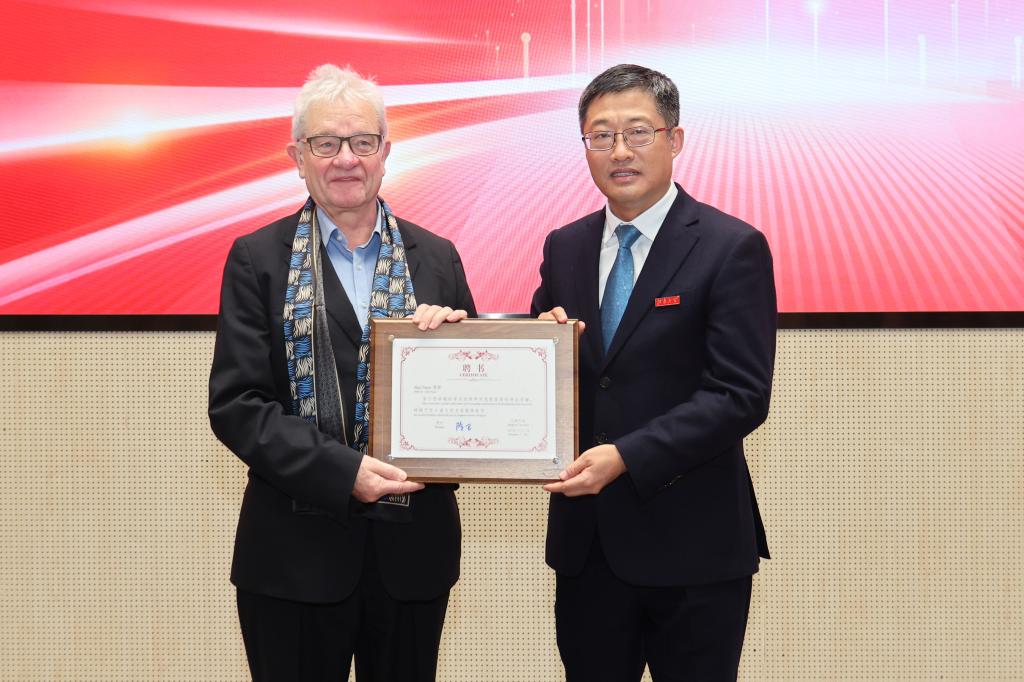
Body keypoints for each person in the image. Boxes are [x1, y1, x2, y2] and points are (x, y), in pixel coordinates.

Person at [208, 64, 475, 681]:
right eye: (326, 143)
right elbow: (238, 405)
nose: (346, 159)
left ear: (386, 151)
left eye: (362, 141)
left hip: (412, 555)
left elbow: (471, 395)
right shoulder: (257, 259)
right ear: (297, 157)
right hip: (293, 559)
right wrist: (342, 471)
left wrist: (459, 350)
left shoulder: (437, 258)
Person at [532, 64, 777, 681]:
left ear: (675, 139)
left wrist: (627, 456)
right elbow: (544, 368)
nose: (620, 151)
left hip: (694, 547)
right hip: (588, 550)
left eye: (638, 131)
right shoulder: (565, 247)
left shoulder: (730, 246)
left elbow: (740, 395)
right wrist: (534, 342)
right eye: (601, 135)